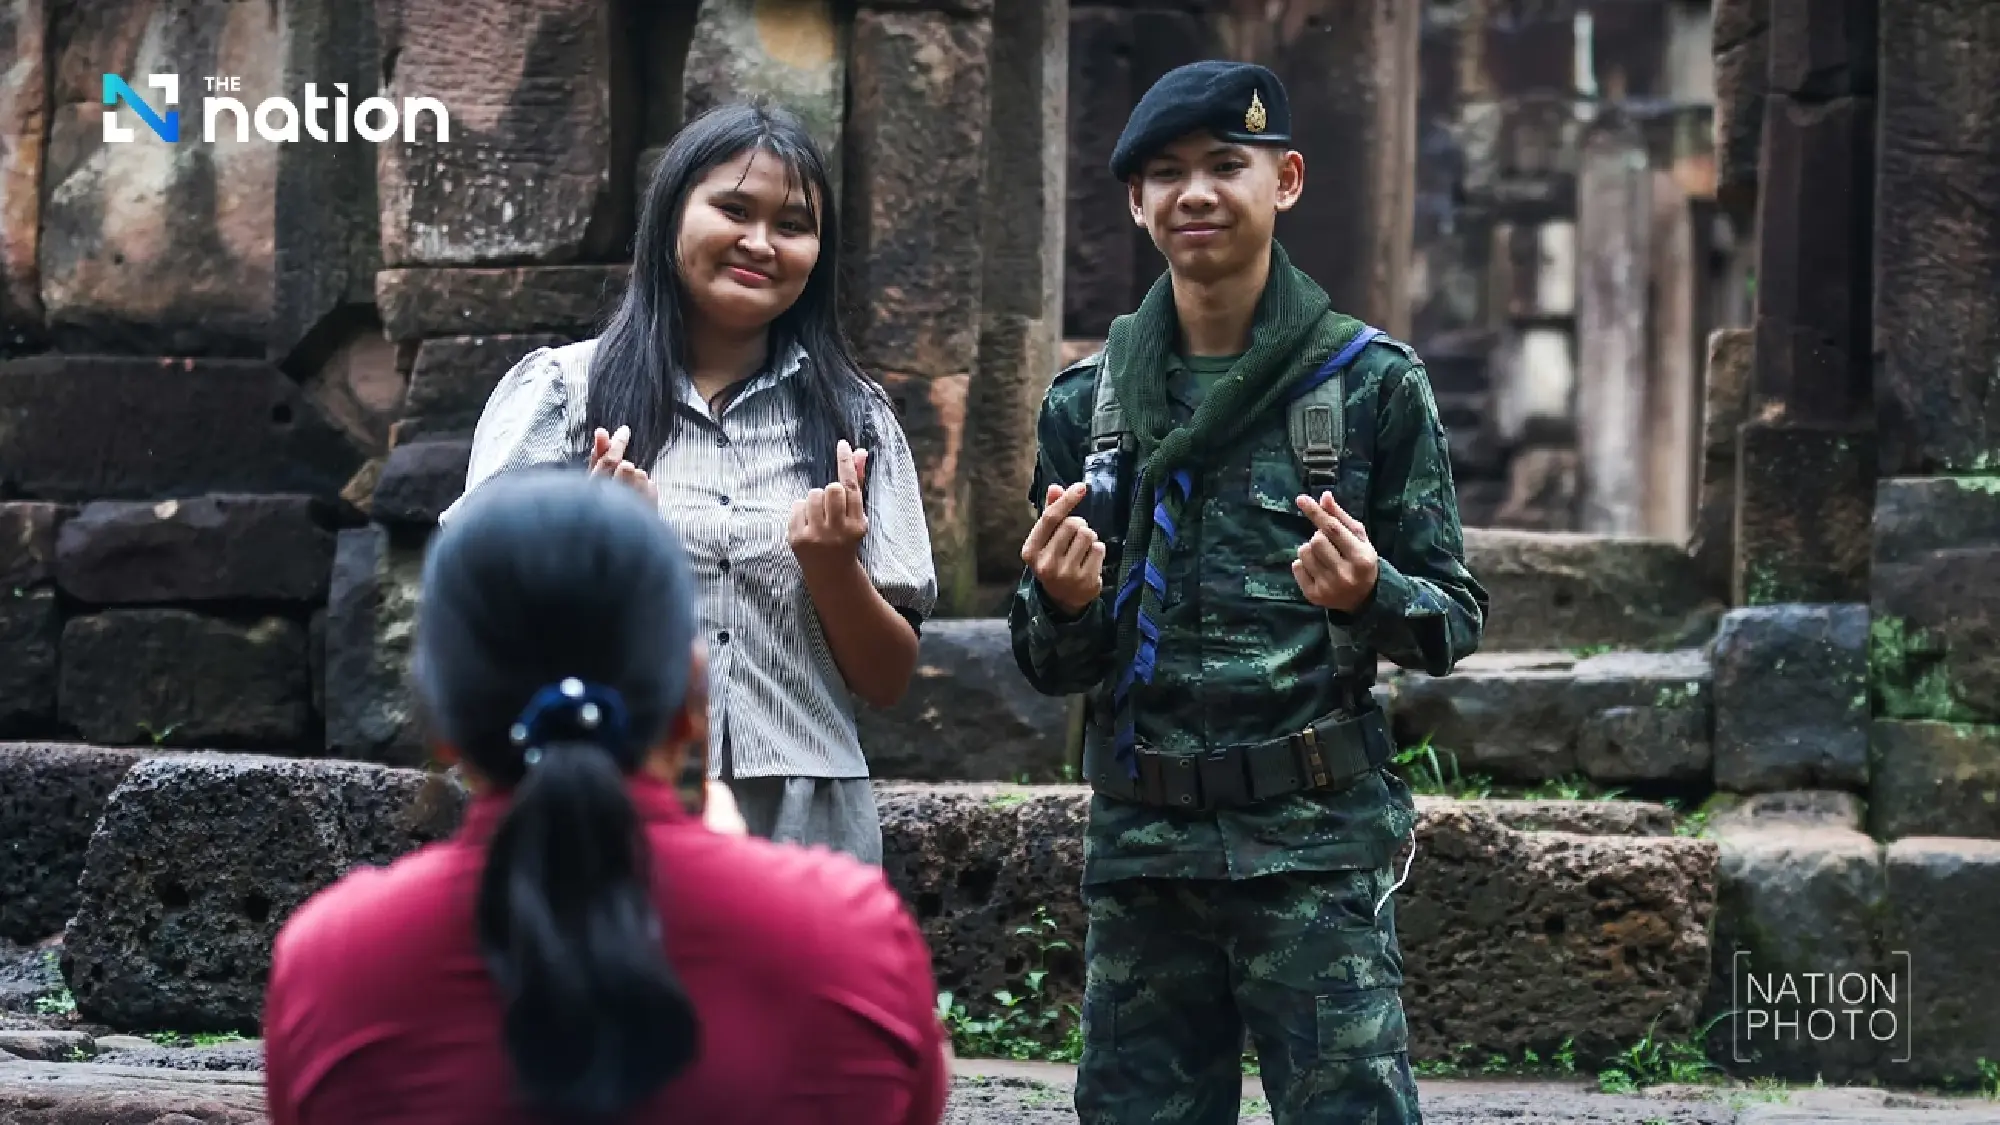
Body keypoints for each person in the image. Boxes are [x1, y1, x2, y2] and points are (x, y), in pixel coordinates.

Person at [1009, 61, 1488, 1124]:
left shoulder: (1370, 386)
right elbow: (1046, 664)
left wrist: (1371, 590)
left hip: (1311, 845)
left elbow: (1451, 617)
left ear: (1287, 180)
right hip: (1143, 854)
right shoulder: (1087, 406)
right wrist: (1064, 603)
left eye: (1227, 164)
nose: (1196, 194)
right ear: (1134, 202)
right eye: (1165, 173)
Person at [262, 470, 950, 1125]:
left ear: (442, 722)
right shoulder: (852, 938)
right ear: (691, 700)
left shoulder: (335, 964)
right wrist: (766, 889)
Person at [439, 100, 937, 865]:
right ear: (672, 214)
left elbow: (888, 680)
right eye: (733, 209)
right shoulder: (565, 395)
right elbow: (479, 623)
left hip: (807, 821)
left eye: (793, 224)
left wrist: (834, 567)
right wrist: (599, 555)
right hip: (605, 799)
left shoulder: (855, 420)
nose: (761, 242)